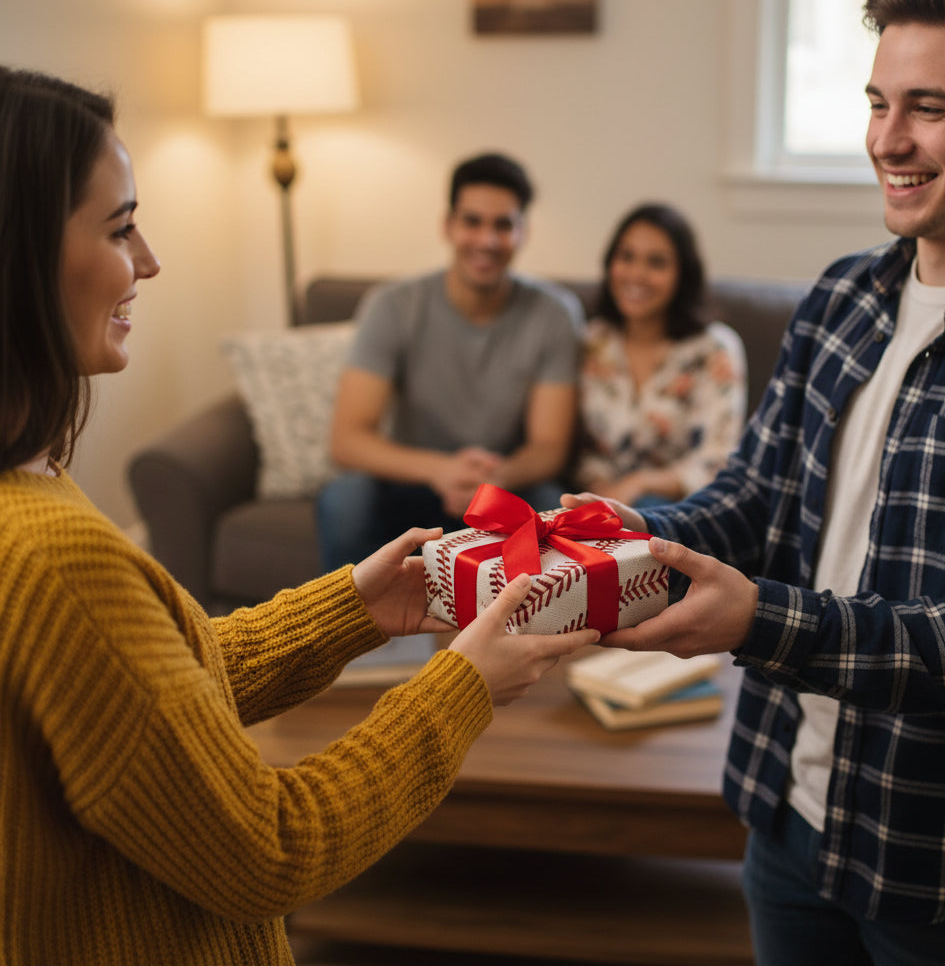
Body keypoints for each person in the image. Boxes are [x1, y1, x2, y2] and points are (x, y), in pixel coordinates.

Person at [0, 67, 599, 965]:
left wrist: (355, 606)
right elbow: (271, 848)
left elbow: (157, 704)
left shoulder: (32, 492)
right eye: (122, 226)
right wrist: (460, 686)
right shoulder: (56, 556)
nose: (151, 261)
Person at [566, 0, 945, 965]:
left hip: (935, 860)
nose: (887, 141)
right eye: (876, 103)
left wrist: (759, 620)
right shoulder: (840, 298)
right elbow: (758, 497)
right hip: (781, 810)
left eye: (928, 108)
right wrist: (636, 535)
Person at [315, 151, 584, 570]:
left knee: (552, 505)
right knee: (345, 499)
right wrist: (441, 470)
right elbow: (347, 440)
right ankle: (351, 631)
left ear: (523, 232)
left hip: (503, 484)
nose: (487, 240)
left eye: (503, 225)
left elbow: (549, 447)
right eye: (472, 221)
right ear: (448, 225)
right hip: (413, 481)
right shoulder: (392, 306)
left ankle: (523, 632)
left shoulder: (555, 314)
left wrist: (497, 478)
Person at [573, 202, 746, 508]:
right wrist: (599, 491)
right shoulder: (593, 341)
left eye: (656, 263)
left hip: (677, 508)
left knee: (649, 507)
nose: (636, 274)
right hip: (594, 501)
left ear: (682, 274)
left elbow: (716, 461)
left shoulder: (715, 349)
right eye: (626, 257)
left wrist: (638, 484)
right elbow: (579, 449)